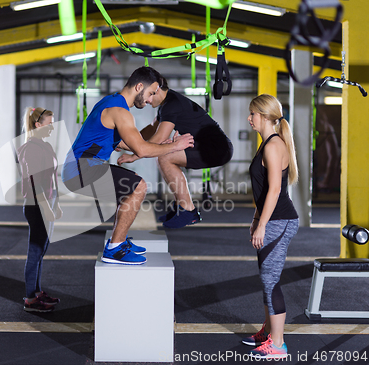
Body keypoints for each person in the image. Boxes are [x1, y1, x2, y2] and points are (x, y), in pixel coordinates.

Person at [62, 66, 194, 265]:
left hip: (79, 168)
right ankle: (114, 249)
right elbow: (141, 149)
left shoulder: (111, 102)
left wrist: (160, 144)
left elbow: (129, 142)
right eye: (150, 93)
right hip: (81, 169)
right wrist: (176, 145)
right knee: (138, 186)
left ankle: (119, 242)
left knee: (127, 189)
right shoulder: (120, 112)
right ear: (139, 86)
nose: (150, 100)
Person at [117, 76, 233, 228]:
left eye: (149, 95)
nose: (147, 101)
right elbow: (151, 129)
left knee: (165, 158)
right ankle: (180, 206)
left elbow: (158, 139)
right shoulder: (166, 105)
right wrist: (125, 141)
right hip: (207, 146)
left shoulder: (172, 104)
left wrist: (134, 155)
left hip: (217, 148)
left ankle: (188, 211)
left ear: (156, 90)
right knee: (163, 156)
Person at [242, 94, 299, 360]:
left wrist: (262, 225)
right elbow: (264, 192)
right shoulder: (267, 143)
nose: (249, 118)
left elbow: (276, 189)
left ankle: (278, 345)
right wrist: (256, 220)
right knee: (267, 278)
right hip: (270, 219)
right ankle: (267, 333)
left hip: (280, 220)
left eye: (252, 114)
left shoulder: (273, 146)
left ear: (263, 116)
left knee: (270, 280)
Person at [18, 107, 63, 312]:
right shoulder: (30, 148)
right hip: (36, 205)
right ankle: (30, 298)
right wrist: (47, 207)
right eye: (50, 124)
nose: (52, 127)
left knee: (42, 250)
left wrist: (58, 203)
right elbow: (36, 183)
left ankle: (36, 292)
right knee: (35, 250)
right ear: (38, 125)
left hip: (48, 202)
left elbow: (53, 177)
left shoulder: (45, 146)